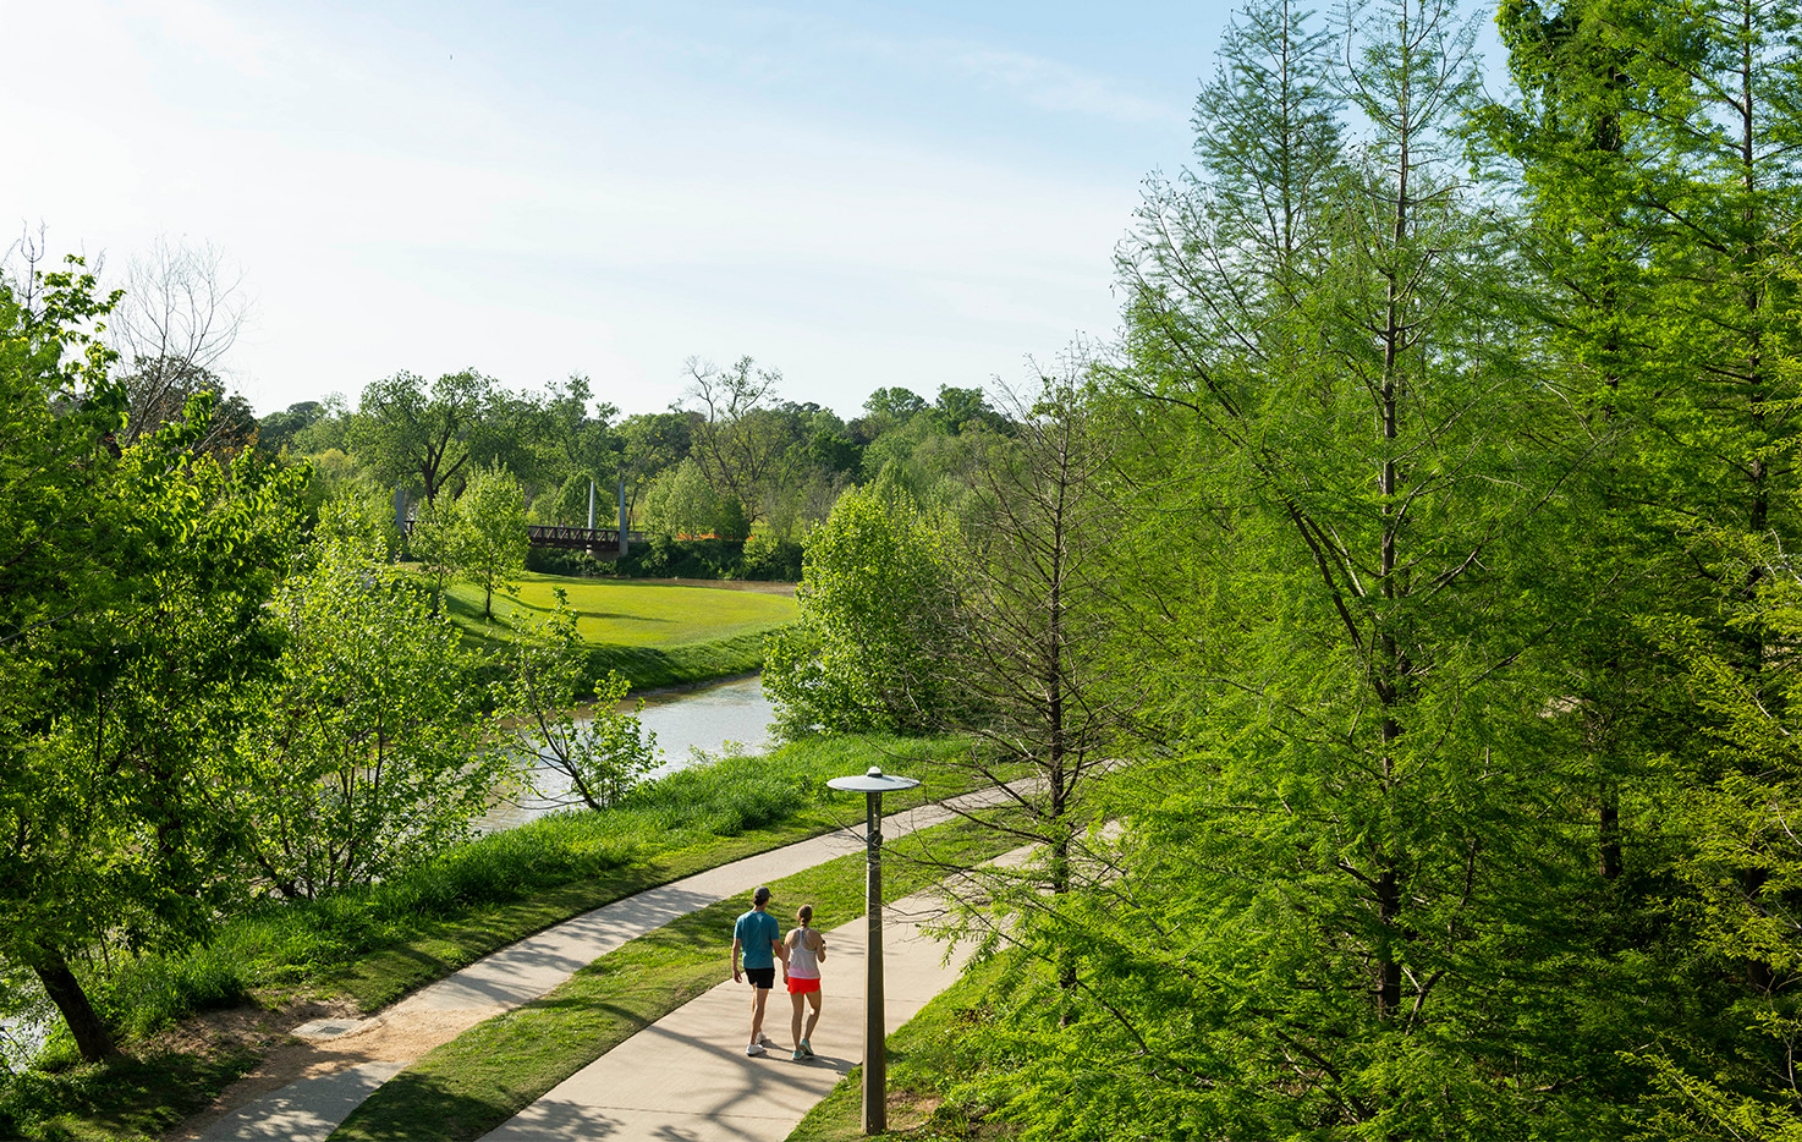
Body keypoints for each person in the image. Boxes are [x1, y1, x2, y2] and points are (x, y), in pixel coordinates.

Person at [731, 885, 784, 1056]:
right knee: (761, 1003)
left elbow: (735, 946)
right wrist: (788, 963)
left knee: (755, 994)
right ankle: (752, 1042)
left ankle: (758, 1031)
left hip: (749, 965)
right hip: (764, 965)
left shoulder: (742, 919)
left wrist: (734, 967)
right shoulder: (770, 921)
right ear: (767, 900)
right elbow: (777, 947)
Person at [782, 904, 826, 1060]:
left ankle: (796, 1050)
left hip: (794, 977)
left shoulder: (790, 935)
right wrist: (821, 946)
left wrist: (785, 974)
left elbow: (785, 957)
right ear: (811, 918)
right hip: (811, 977)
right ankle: (806, 1039)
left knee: (797, 1013)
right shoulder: (815, 936)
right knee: (815, 1008)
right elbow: (821, 959)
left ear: (797, 917)